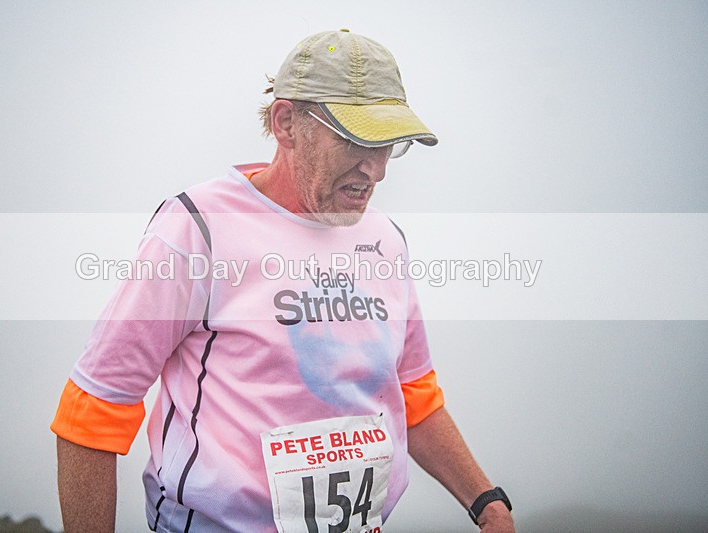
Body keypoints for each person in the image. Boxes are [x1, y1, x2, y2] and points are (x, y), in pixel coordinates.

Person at [52, 29, 515, 533]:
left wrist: (487, 503)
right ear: (287, 123)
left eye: (390, 145)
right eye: (357, 140)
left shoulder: (385, 239)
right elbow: (95, 407)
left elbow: (413, 393)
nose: (376, 170)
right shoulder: (196, 228)